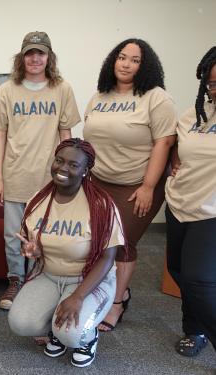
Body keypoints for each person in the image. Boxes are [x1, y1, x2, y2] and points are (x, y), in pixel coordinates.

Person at [83, 38, 176, 331]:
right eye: (122, 57)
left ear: (144, 65)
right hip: (98, 181)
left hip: (136, 183)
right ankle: (95, 291)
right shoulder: (100, 96)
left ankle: (117, 302)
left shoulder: (156, 97)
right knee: (96, 242)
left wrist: (149, 186)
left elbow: (165, 141)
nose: (126, 64)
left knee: (123, 244)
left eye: (134, 60)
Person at [8, 138, 124, 368]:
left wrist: (78, 297)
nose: (63, 168)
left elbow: (107, 257)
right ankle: (57, 331)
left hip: (88, 279)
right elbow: (33, 246)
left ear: (85, 171)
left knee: (72, 334)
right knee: (20, 323)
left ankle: (86, 339)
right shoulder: (38, 201)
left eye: (73, 164)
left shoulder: (101, 205)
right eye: (59, 161)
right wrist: (34, 250)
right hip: (49, 275)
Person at [0, 31, 80, 310]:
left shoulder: (61, 88)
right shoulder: (7, 90)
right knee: (13, 235)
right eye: (30, 53)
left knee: (47, 232)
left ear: (49, 57)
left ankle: (42, 281)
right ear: (22, 57)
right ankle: (16, 279)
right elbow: (0, 134)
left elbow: (66, 134)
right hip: (16, 173)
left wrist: (69, 176)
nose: (35, 58)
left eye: (40, 53)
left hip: (48, 177)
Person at [165, 46, 216, 356]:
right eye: (211, 83)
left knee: (198, 279)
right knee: (177, 270)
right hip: (179, 204)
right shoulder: (192, 114)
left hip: (211, 211)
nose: (215, 89)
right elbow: (178, 149)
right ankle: (194, 329)